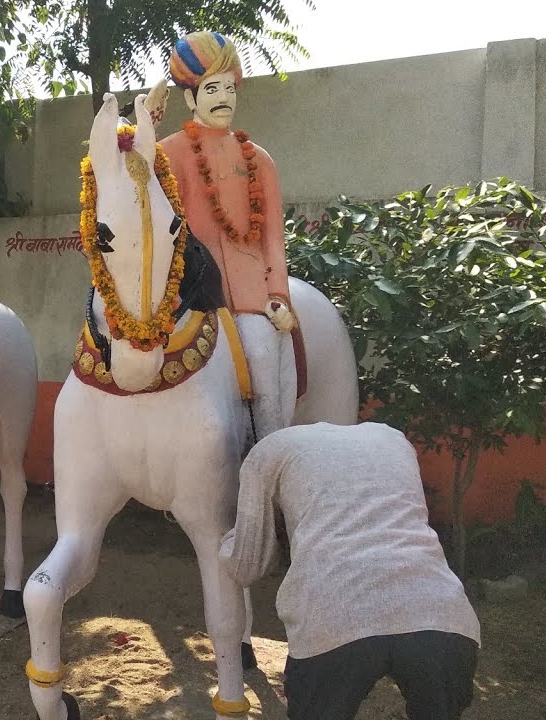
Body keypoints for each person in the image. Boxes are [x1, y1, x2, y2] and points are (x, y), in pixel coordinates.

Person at [220, 422, 481, 720]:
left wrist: (225, 537)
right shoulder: (392, 438)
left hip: (336, 615)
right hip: (441, 614)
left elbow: (246, 566)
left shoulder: (264, 452)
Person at [158, 31, 296, 440]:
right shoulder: (167, 153)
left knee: (260, 364)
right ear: (190, 98)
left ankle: (271, 459)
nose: (223, 98)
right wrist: (142, 124)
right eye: (211, 88)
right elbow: (134, 189)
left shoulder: (260, 160)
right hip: (191, 295)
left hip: (251, 299)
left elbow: (272, 238)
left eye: (229, 88)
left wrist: (278, 297)